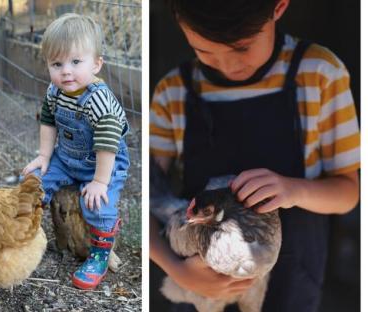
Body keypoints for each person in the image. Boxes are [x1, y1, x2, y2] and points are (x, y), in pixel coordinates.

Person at [149, 0, 360, 311]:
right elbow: (149, 195)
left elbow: (348, 193)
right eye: (205, 51)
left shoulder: (319, 74)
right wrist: (178, 270)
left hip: (291, 284)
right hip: (198, 285)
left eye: (242, 48)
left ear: (278, 6)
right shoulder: (173, 91)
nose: (228, 65)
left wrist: (294, 190)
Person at [22, 13, 130, 290]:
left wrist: (99, 182)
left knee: (96, 205)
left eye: (75, 62)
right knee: (34, 184)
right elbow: (48, 121)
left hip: (103, 162)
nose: (66, 71)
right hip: (67, 156)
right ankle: (26, 234)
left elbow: (107, 145)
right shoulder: (54, 91)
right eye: (57, 64)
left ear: (97, 64)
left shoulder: (98, 101)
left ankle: (99, 254)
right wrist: (45, 156)